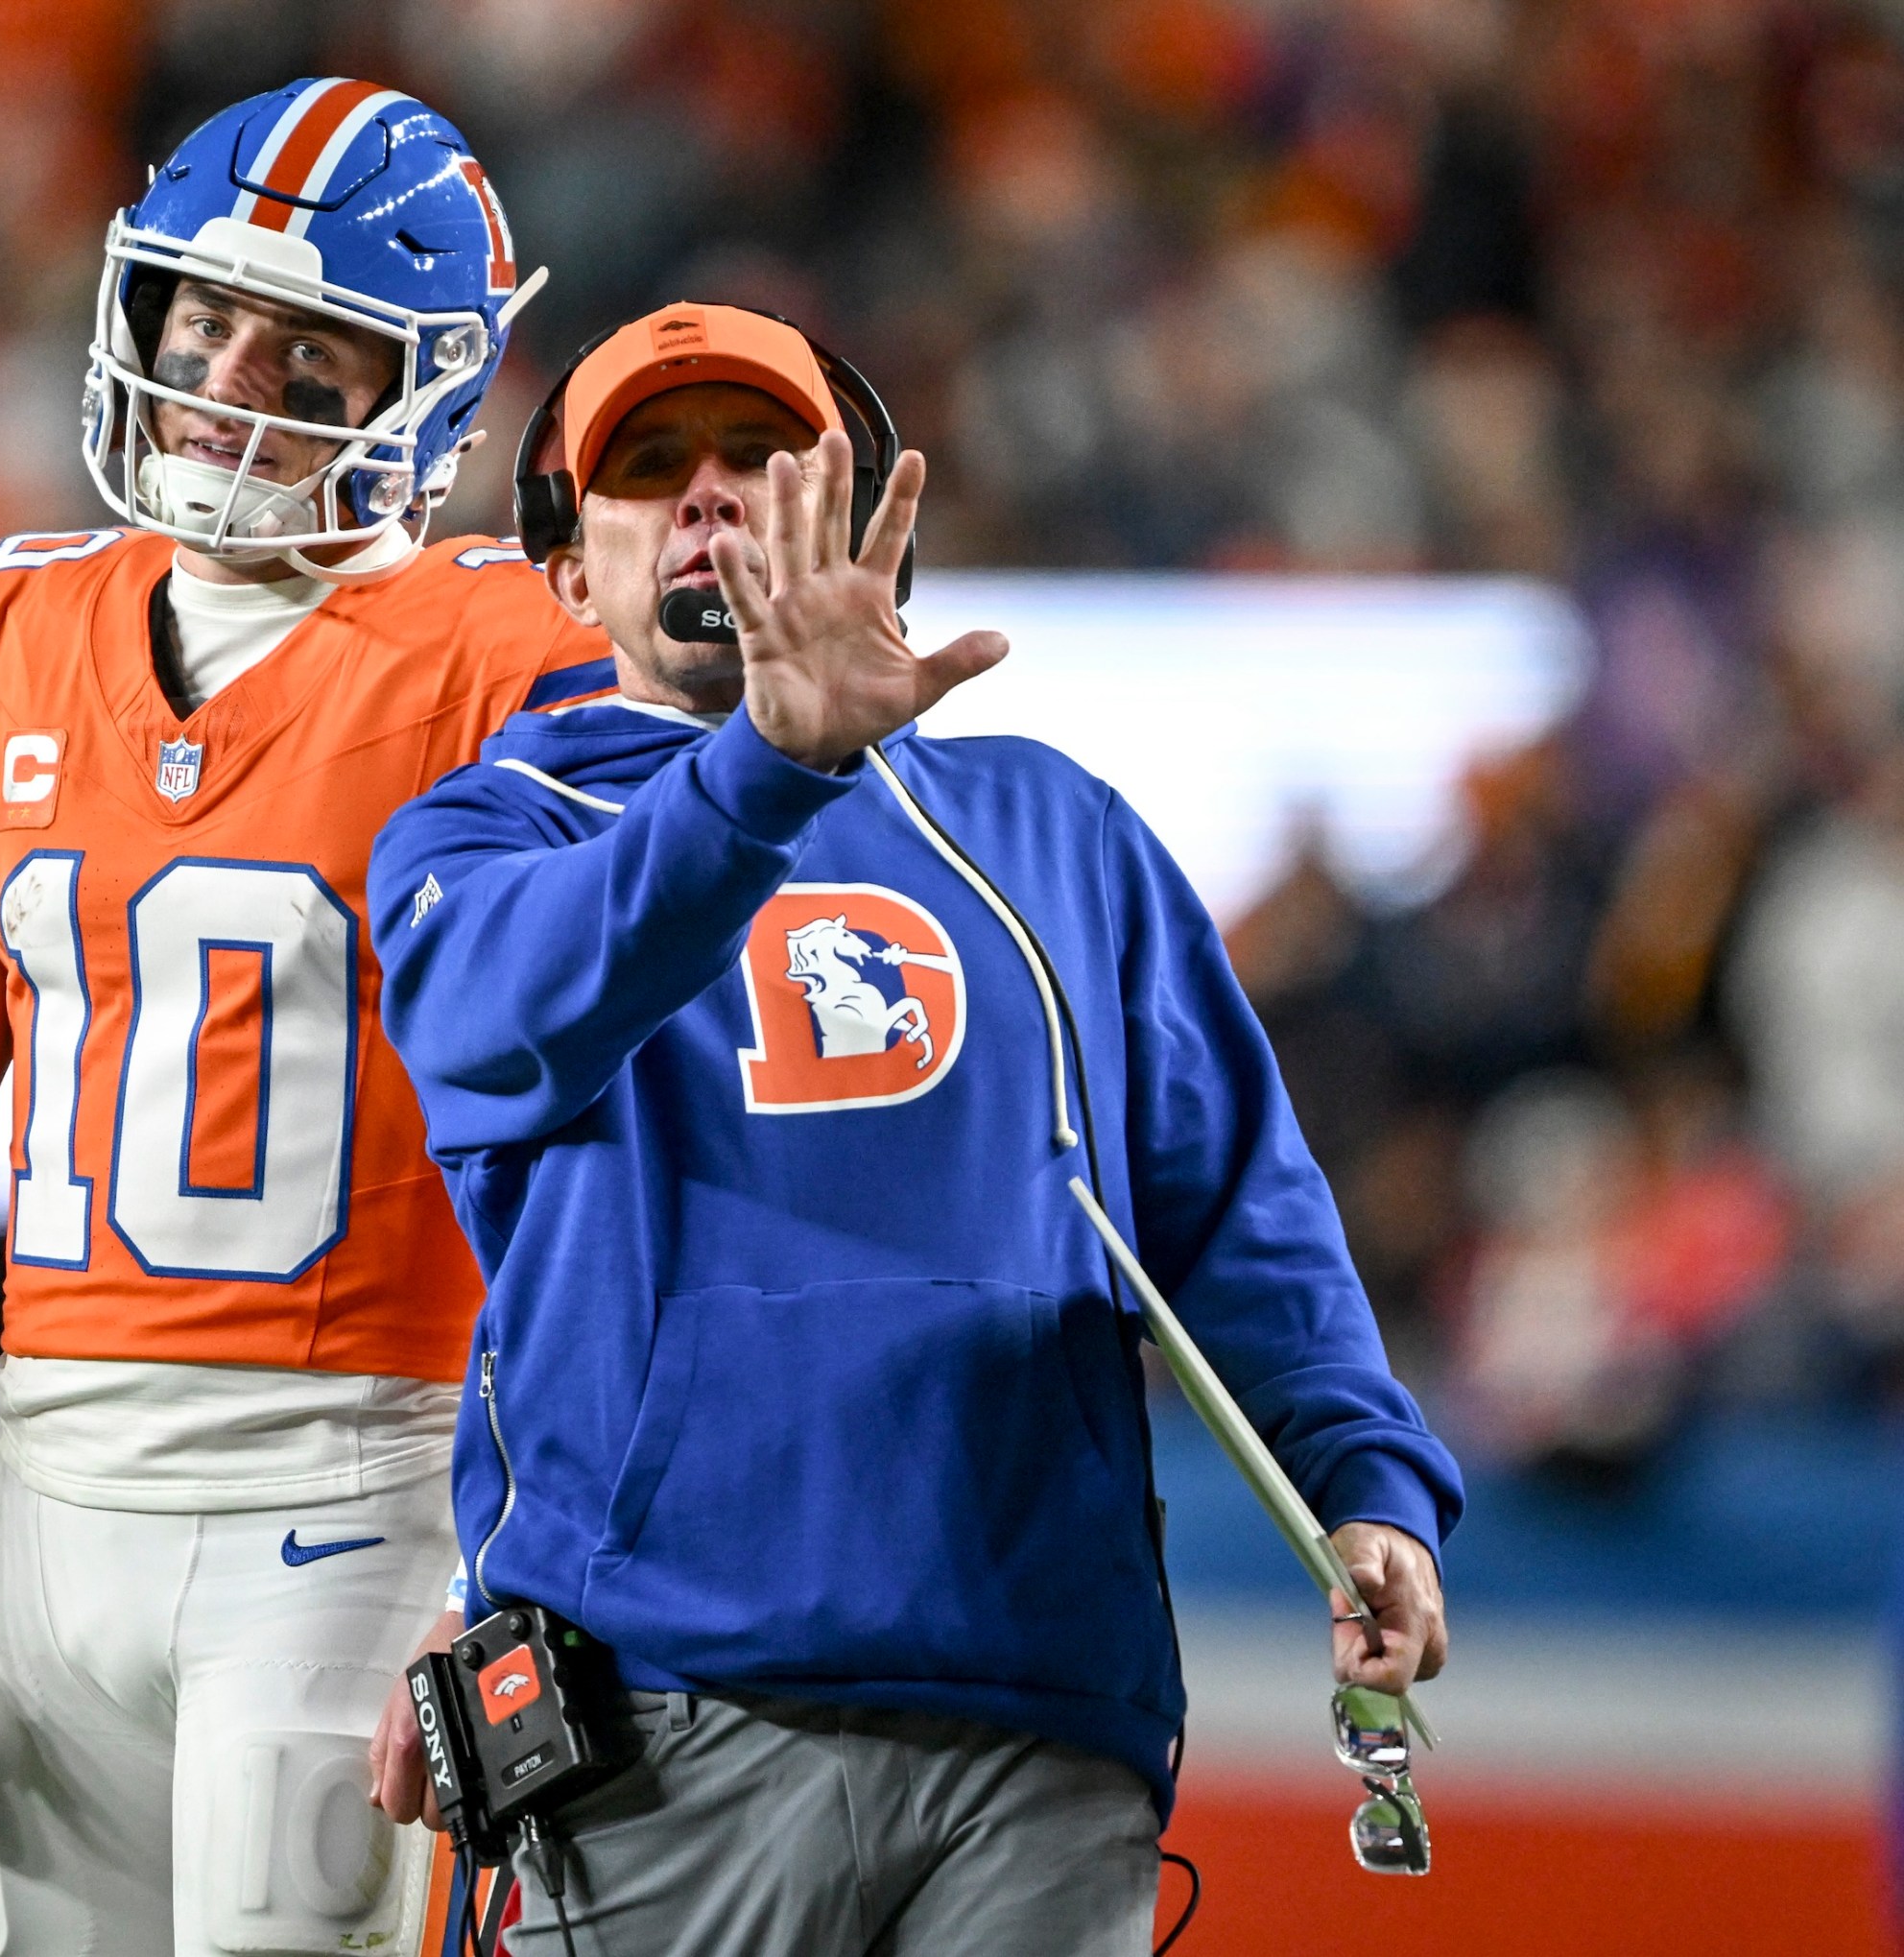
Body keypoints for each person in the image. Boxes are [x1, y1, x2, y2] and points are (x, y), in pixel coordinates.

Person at [361, 303, 1463, 1953]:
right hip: (665, 1701)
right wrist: (766, 774)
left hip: (1039, 1700)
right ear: (567, 578)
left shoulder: (1054, 827)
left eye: (760, 461)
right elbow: (497, 1026)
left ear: (873, 525)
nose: (711, 495)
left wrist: (1363, 1481)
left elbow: (1236, 1205)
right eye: (650, 468)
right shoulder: (492, 828)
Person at [0, 81, 614, 1957]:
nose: (226, 374)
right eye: (203, 316)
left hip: (352, 1497)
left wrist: (532, 1551)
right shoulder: (5, 625)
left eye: (307, 346)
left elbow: (608, 1162)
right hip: (45, 1506)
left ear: (425, 388)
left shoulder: (516, 657)